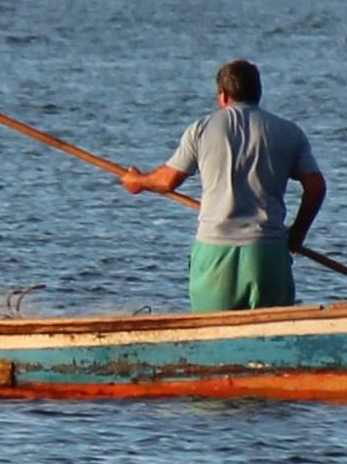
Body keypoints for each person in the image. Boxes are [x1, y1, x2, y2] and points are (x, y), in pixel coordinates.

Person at [128, 59, 324, 310]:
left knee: (213, 331)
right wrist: (298, 232)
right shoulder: (289, 132)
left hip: (215, 252)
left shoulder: (201, 129)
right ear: (258, 93)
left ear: (223, 95)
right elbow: (316, 187)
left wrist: (139, 181)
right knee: (272, 333)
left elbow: (167, 181)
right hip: (267, 253)